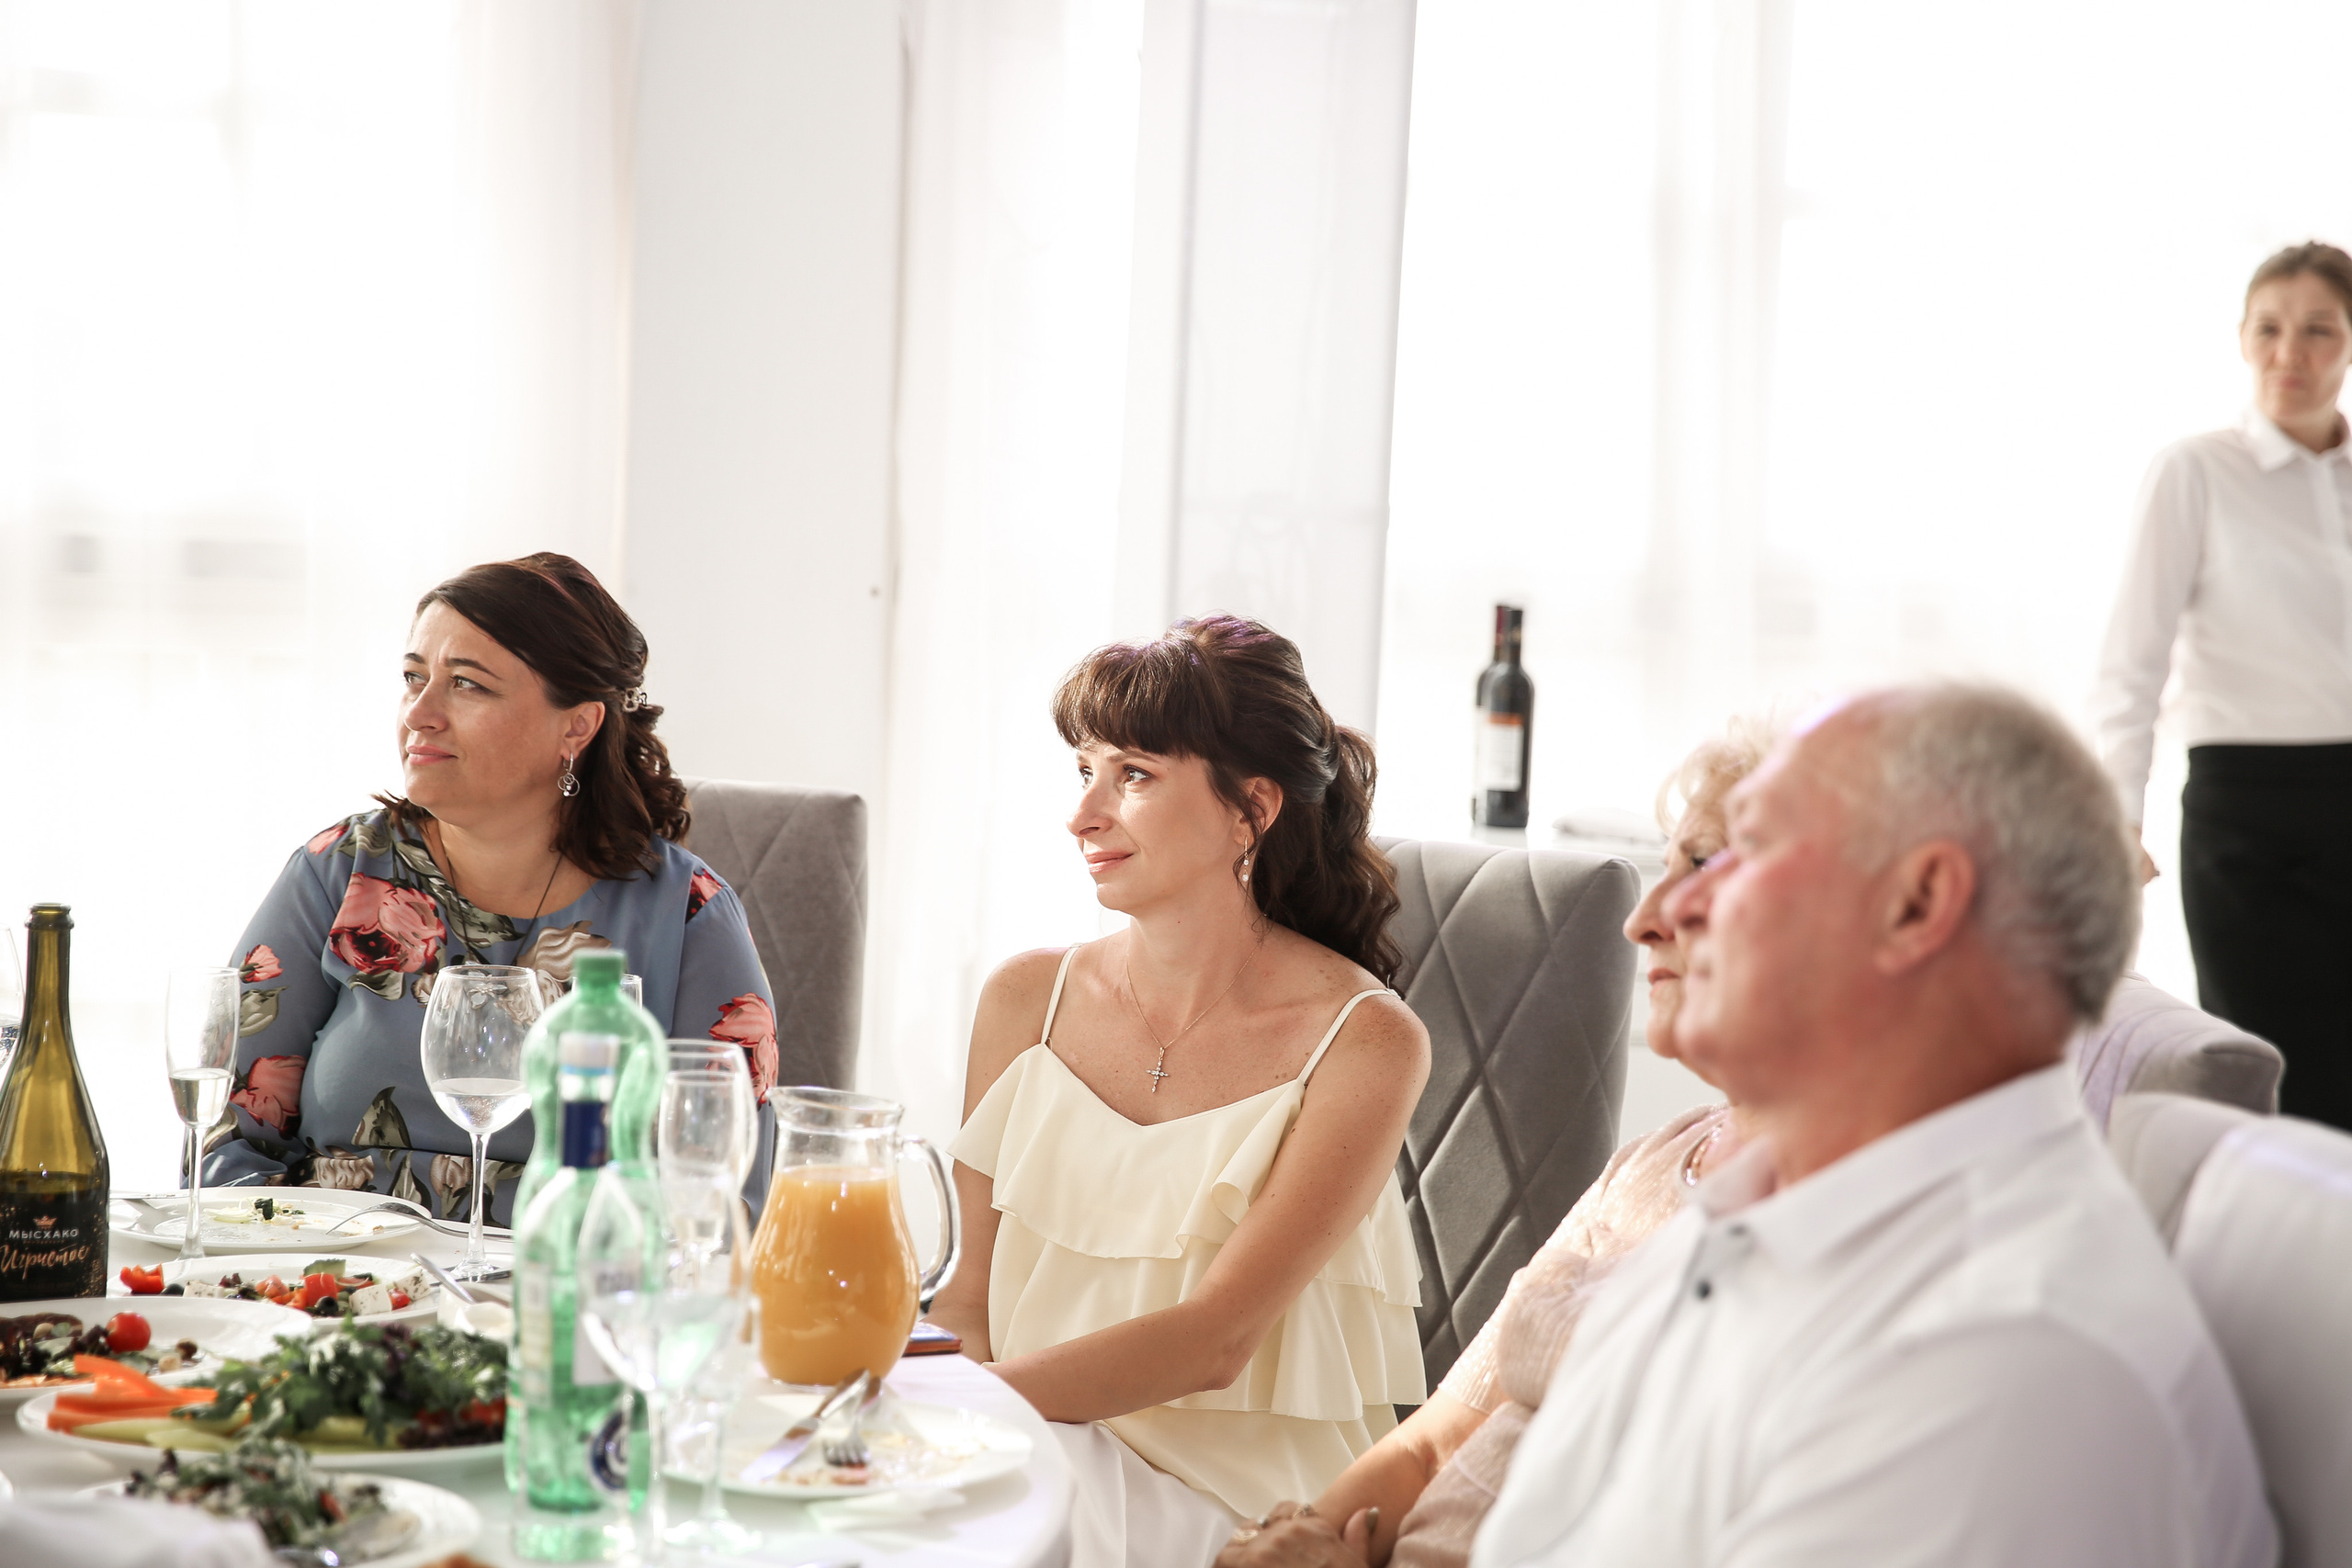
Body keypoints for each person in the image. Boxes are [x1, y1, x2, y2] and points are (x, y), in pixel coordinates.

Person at [1238, 684, 2275, 1568]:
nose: (1650, 918)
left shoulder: (1999, 1358)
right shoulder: (1755, 1216)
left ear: (1916, 907)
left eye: (1743, 854)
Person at [924, 615, 1430, 1568]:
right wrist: (955, 1437)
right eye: (1084, 772)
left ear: (1253, 808)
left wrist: (957, 1412)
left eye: (1135, 775)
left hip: (1235, 1511)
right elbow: (966, 1300)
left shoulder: (1365, 1042)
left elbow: (1216, 1340)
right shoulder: (1023, 1001)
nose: (1084, 814)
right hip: (1032, 1447)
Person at [207, 553, 780, 1222]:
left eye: (467, 685)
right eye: (414, 677)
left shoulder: (688, 919)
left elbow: (722, 1200)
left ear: (578, 725)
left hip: (558, 1302)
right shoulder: (336, 871)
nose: (420, 713)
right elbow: (225, 1142)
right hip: (333, 1294)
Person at [2093, 241, 2352, 1131]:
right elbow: (2131, 664)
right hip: (2248, 822)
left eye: (2319, 330)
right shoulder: (2194, 471)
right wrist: (2114, 818)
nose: (2292, 352)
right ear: (2242, 340)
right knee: (2274, 1089)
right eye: (2270, 329)